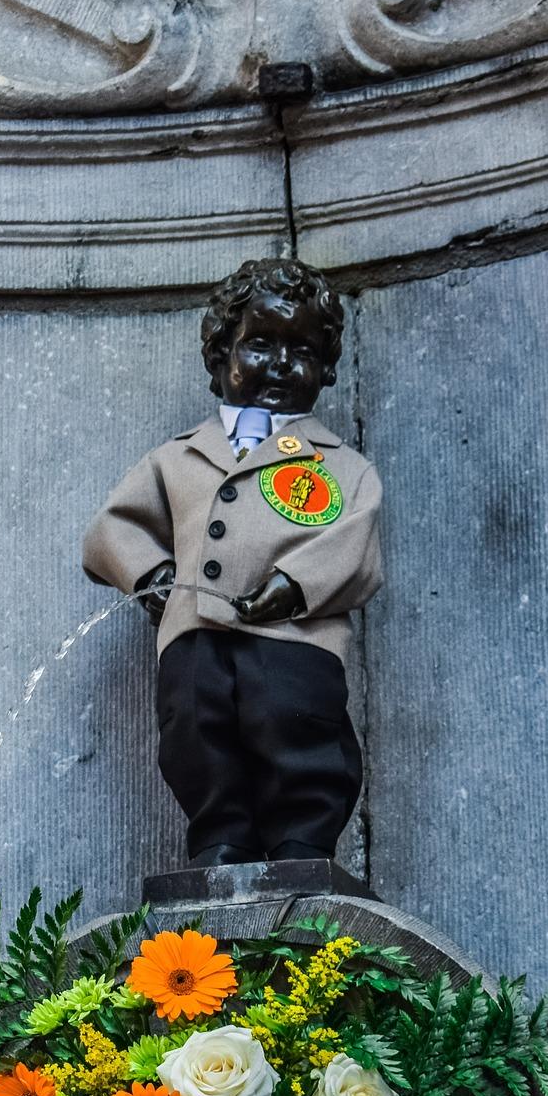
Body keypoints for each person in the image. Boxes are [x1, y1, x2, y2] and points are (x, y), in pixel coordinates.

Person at [83, 256, 383, 867]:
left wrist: (295, 585)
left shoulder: (339, 465)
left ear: (326, 370)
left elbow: (356, 546)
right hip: (194, 635)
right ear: (221, 355)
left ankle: (303, 842)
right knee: (196, 731)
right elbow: (112, 528)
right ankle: (221, 836)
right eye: (260, 344)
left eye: (301, 351)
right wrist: (152, 576)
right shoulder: (179, 457)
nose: (279, 364)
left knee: (298, 727)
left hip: (295, 637)